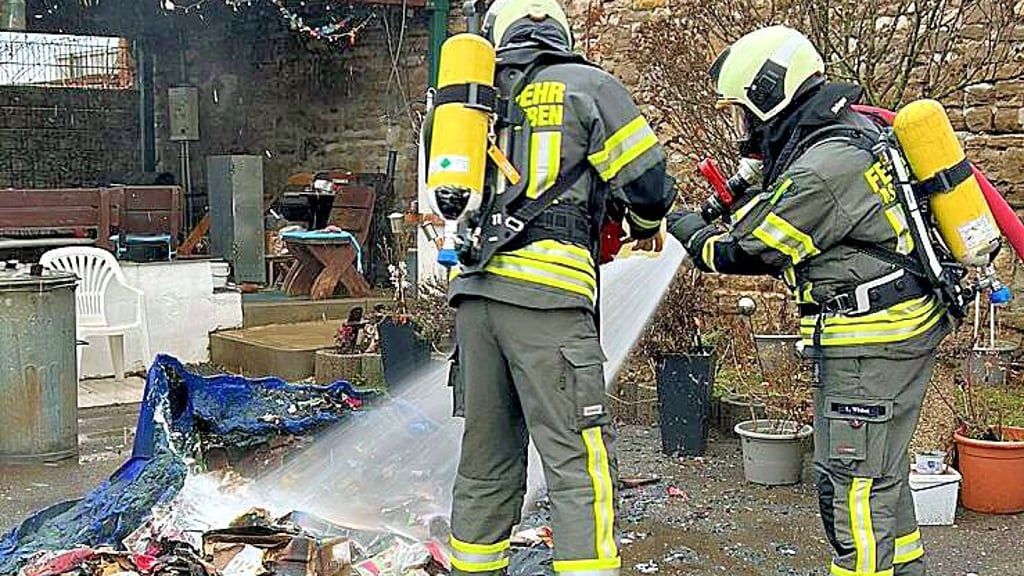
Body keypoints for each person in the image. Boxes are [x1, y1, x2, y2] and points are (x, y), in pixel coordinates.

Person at [667, 25, 951, 576]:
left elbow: (747, 249)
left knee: (851, 486)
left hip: (872, 342)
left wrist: (683, 229)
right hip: (889, 332)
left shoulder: (825, 167)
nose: (744, 128)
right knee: (878, 473)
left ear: (772, 95)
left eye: (746, 111)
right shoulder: (844, 136)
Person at [443, 1, 676, 574]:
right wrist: (645, 227)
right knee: (579, 460)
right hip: (547, 302)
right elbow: (647, 182)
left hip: (474, 299)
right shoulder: (588, 85)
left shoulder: (466, 103)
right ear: (560, 30)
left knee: (486, 460)